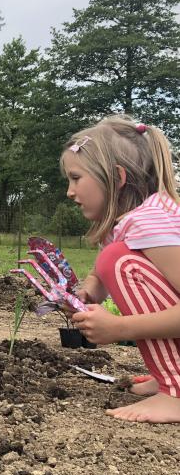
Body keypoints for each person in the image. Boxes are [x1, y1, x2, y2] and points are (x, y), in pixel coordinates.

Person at [62, 115, 180, 423]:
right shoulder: (128, 224)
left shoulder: (150, 221)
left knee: (121, 260)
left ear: (116, 177)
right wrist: (86, 294)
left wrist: (119, 328)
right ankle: (166, 376)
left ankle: (176, 391)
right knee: (114, 257)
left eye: (76, 178)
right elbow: (101, 273)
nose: (69, 192)